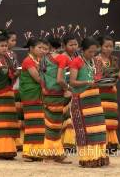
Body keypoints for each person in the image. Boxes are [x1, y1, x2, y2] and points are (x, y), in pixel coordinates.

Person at [69, 37, 109, 167]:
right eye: (90, 52)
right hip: (81, 99)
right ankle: (88, 157)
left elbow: (100, 77)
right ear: (83, 50)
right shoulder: (76, 62)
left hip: (95, 98)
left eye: (95, 52)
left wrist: (103, 81)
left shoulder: (96, 61)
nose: (93, 54)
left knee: (98, 129)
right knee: (87, 130)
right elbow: (72, 82)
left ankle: (99, 156)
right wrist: (87, 82)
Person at [41, 36, 72, 164]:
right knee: (55, 125)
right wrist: (68, 88)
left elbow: (41, 78)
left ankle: (51, 153)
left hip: (47, 93)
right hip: (58, 94)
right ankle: (53, 154)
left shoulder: (43, 58)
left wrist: (45, 90)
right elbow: (60, 79)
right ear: (60, 46)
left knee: (50, 124)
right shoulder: (62, 58)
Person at [20, 37, 46, 161]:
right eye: (39, 48)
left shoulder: (39, 60)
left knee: (39, 124)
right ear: (31, 48)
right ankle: (28, 153)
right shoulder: (28, 61)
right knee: (32, 124)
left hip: (39, 94)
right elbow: (38, 78)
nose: (42, 50)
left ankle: (38, 152)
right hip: (31, 94)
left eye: (43, 48)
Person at [94, 35, 120, 153]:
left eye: (111, 46)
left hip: (112, 91)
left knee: (111, 118)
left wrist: (114, 79)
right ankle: (102, 143)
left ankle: (111, 143)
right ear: (100, 47)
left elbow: (117, 74)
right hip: (100, 91)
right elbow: (97, 76)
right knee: (102, 117)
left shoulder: (114, 59)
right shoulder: (96, 60)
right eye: (106, 46)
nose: (109, 49)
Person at [60, 34, 79, 153]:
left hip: (77, 91)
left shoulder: (78, 57)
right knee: (67, 118)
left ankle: (72, 142)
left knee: (75, 118)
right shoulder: (62, 57)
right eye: (70, 45)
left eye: (75, 44)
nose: (73, 47)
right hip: (64, 91)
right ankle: (66, 143)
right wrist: (66, 89)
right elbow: (59, 76)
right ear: (64, 46)